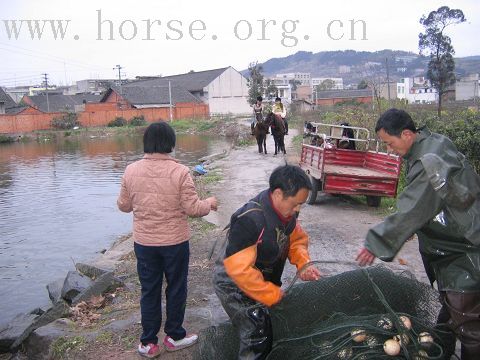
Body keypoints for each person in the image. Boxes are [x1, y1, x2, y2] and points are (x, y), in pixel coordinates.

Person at [356, 108, 480, 360]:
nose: (389, 149)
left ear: (406, 134)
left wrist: (376, 242)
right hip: (454, 247)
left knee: (469, 328)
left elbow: (410, 209)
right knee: (450, 316)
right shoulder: (433, 143)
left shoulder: (428, 161)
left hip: (464, 251)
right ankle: (438, 354)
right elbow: (433, 201)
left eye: (390, 143)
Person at [117, 122, 218, 358]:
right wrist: (210, 203)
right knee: (176, 288)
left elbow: (123, 206)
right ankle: (174, 336)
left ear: (147, 142)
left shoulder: (130, 171)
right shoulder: (180, 172)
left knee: (149, 290)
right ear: (170, 144)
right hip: (175, 243)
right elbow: (193, 209)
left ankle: (149, 343)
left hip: (144, 244)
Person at [214, 165, 321, 359]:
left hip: (257, 277)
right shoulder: (251, 219)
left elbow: (295, 239)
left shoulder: (288, 214)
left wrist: (303, 264)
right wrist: (269, 293)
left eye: (301, 205)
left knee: (262, 323)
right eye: (296, 203)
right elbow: (239, 270)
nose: (298, 209)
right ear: (278, 194)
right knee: (257, 334)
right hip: (233, 281)